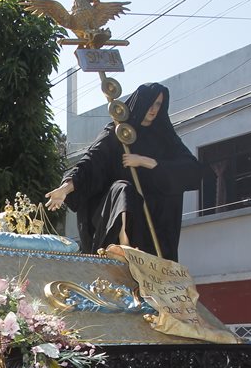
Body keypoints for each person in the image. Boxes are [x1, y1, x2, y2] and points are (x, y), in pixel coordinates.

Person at [45, 82, 205, 261]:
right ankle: (124, 247)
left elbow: (191, 170)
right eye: (151, 103)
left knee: (166, 193)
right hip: (117, 209)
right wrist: (65, 188)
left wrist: (147, 162)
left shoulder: (166, 137)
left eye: (158, 104)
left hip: (155, 218)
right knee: (124, 190)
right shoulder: (117, 132)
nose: (153, 109)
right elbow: (91, 162)